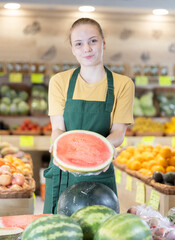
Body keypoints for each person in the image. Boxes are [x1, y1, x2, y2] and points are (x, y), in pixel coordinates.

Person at [43, 17, 135, 214]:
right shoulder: (59, 82)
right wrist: (61, 150)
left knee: (101, 230)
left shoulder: (123, 84)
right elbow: (58, 128)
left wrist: (106, 149)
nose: (87, 48)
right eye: (79, 43)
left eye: (93, 41)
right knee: (57, 231)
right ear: (73, 49)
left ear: (103, 42)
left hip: (99, 175)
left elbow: (118, 132)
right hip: (63, 171)